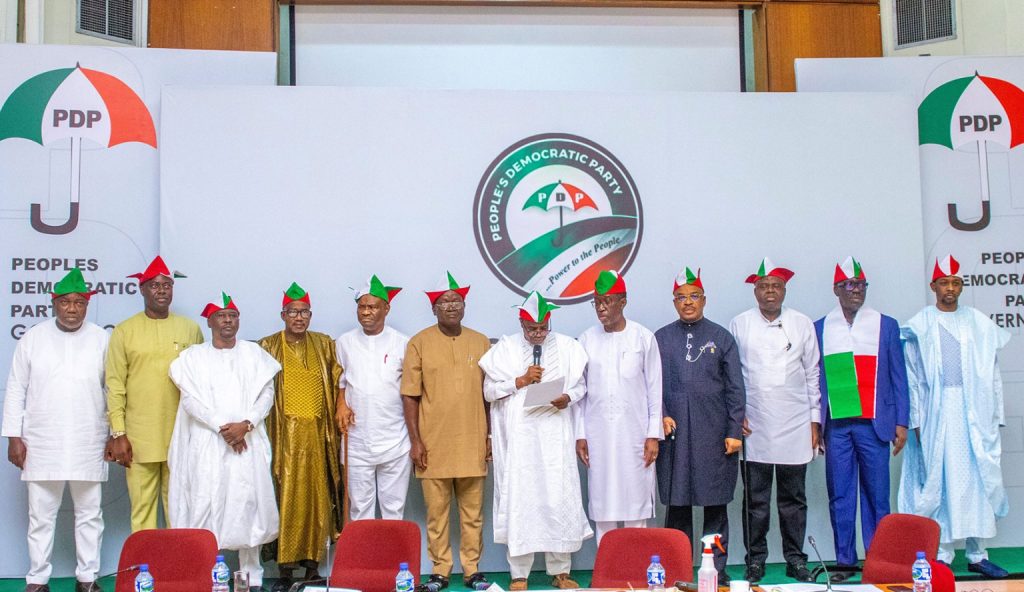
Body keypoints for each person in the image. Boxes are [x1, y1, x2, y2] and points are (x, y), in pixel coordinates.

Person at [899, 255, 1011, 578]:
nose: (950, 288)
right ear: (933, 286)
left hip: (975, 412)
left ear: (961, 286)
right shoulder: (921, 324)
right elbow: (913, 377)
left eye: (956, 282)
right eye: (944, 282)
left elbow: (992, 374)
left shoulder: (978, 322)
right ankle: (943, 555)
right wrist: (916, 420)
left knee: (978, 479)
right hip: (938, 413)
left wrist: (996, 414)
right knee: (942, 481)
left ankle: (977, 554)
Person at [3, 269, 108, 592]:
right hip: (42, 441)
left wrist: (115, 434)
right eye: (65, 302)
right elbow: (16, 389)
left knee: (89, 514)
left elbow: (113, 390)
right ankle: (37, 579)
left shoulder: (102, 339)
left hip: (88, 439)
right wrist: (14, 437)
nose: (72, 308)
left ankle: (87, 578)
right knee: (40, 515)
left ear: (87, 305)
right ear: (54, 303)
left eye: (79, 302)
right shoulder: (33, 338)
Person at [480, 291, 592, 591]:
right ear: (521, 324)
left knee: (558, 497)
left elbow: (581, 387)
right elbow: (489, 392)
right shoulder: (504, 350)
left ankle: (561, 572)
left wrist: (567, 397)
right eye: (532, 329)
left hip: (555, 437)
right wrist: (520, 380)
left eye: (543, 328)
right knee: (522, 501)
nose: (538, 333)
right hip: (520, 442)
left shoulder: (568, 348)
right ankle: (519, 574)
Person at [168, 293, 281, 592]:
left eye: (232, 315)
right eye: (221, 316)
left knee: (248, 504)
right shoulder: (193, 358)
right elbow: (190, 401)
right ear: (209, 322)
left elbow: (266, 395)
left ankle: (252, 577)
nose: (228, 321)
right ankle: (206, 575)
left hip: (247, 442)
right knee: (207, 503)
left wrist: (246, 424)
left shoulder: (254, 354)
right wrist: (223, 427)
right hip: (209, 443)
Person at [814, 257, 909, 582]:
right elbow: (815, 380)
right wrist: (816, 424)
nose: (856, 291)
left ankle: (878, 562)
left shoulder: (886, 325)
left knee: (877, 496)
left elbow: (899, 377)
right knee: (840, 496)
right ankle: (844, 562)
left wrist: (901, 421)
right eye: (849, 285)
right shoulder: (820, 327)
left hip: (874, 424)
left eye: (861, 285)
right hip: (838, 426)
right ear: (836, 290)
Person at [729, 258, 820, 583]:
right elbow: (732, 376)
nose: (770, 291)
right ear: (755, 291)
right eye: (764, 286)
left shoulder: (802, 323)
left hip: (795, 422)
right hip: (754, 424)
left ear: (784, 290)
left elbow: (813, 373)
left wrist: (814, 421)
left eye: (776, 286)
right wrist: (736, 415)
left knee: (793, 500)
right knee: (755, 501)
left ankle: (796, 560)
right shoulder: (740, 324)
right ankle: (755, 561)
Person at [401, 272, 491, 590]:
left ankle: (472, 570)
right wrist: (415, 441)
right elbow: (410, 395)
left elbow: (490, 395)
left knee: (473, 513)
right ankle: (440, 570)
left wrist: (490, 437)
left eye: (457, 301)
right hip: (433, 443)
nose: (451, 306)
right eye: (444, 302)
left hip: (472, 440)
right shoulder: (419, 343)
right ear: (433, 309)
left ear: (464, 306)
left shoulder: (481, 342)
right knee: (437, 514)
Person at [656, 266, 744, 584]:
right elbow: (651, 385)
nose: (688, 302)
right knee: (677, 506)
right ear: (674, 302)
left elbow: (735, 388)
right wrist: (660, 415)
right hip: (675, 437)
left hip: (714, 436)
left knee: (715, 505)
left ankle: (716, 570)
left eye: (694, 296)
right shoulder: (661, 339)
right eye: (681, 297)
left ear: (704, 299)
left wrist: (734, 431)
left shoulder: (722, 338)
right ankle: (678, 569)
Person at [105, 255, 203, 531]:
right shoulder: (124, 331)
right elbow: (115, 384)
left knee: (181, 513)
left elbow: (201, 382)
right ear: (142, 289)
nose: (161, 291)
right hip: (139, 437)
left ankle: (180, 560)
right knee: (142, 513)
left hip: (181, 434)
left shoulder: (190, 329)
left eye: (166, 285)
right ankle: (145, 561)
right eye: (155, 285)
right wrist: (118, 433)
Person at [257, 282, 343, 591]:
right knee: (284, 497)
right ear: (283, 315)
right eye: (293, 312)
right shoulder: (268, 345)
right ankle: (284, 570)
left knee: (317, 500)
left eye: (304, 312)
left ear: (310, 315)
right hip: (282, 438)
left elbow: (339, 382)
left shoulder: (324, 344)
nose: (299, 317)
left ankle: (312, 569)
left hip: (318, 438)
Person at [576, 270, 662, 545]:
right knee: (603, 505)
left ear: (623, 302)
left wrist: (653, 435)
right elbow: (580, 393)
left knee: (636, 503)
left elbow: (655, 389)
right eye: (597, 302)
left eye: (607, 301)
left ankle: (636, 566)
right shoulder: (586, 340)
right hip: (598, 435)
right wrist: (580, 434)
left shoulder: (643, 338)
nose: (601, 308)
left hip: (635, 436)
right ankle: (607, 567)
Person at [336, 275, 411, 521]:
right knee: (360, 510)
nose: (366, 312)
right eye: (362, 307)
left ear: (386, 309)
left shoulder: (403, 343)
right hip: (357, 440)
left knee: (393, 510)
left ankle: (391, 550)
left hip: (395, 440)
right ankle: (363, 550)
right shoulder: (344, 342)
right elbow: (340, 381)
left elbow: (411, 390)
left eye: (373, 307)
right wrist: (340, 403)